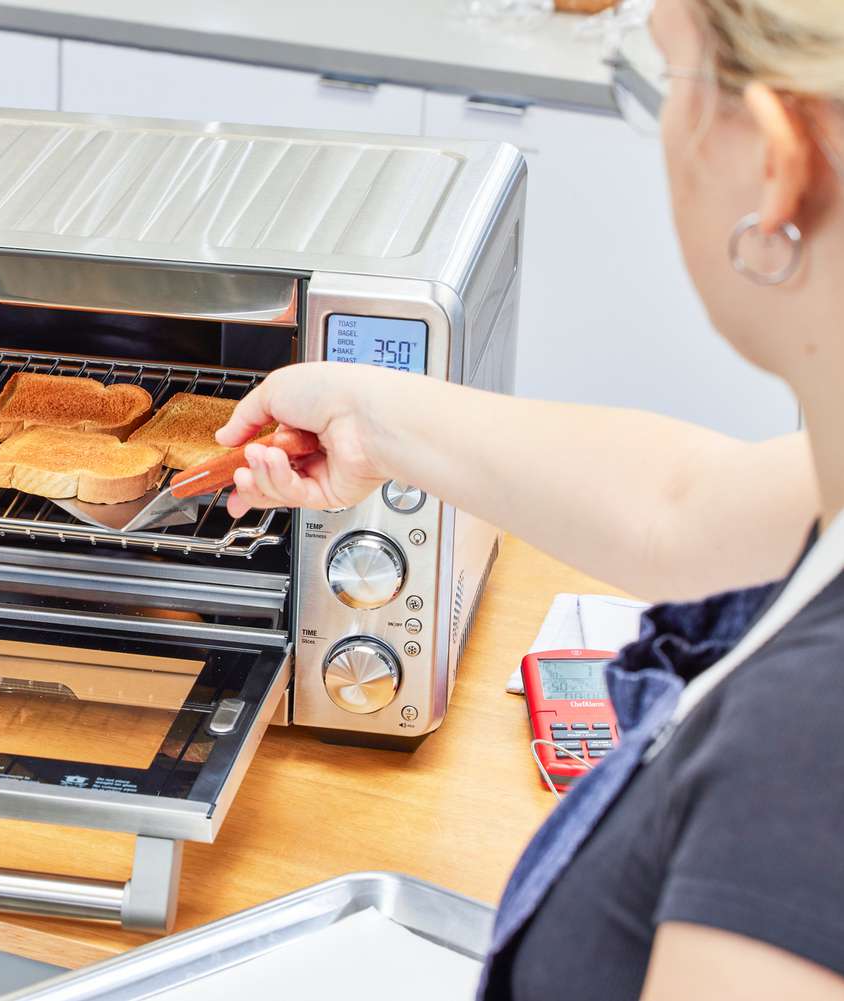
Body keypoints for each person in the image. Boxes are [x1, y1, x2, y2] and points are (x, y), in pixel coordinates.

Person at [218, 0, 844, 997]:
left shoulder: (801, 754)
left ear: (777, 163)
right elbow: (681, 503)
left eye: (663, 82)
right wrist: (366, 415)